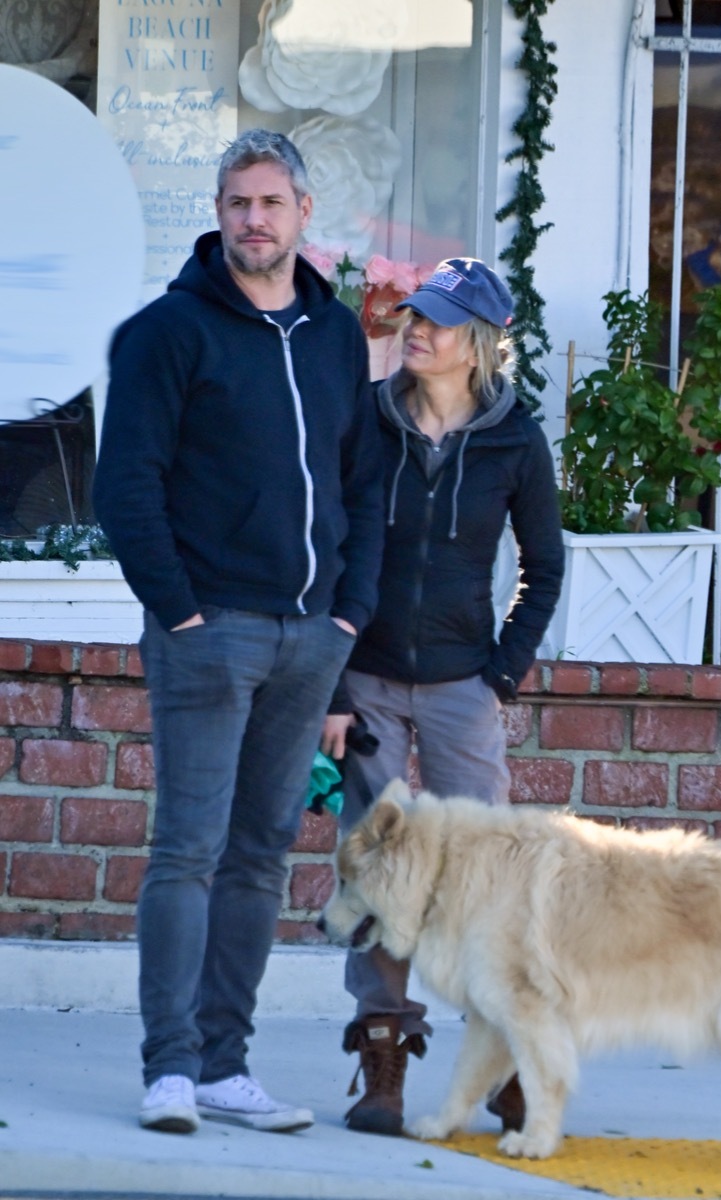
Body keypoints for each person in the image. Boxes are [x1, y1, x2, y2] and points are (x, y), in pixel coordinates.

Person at [93, 129, 384, 1136]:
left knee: (261, 854)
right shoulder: (168, 333)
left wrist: (349, 613)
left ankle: (226, 1065)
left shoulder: (338, 334)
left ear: (304, 212)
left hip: (311, 636)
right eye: (237, 203)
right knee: (188, 849)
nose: (253, 221)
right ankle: (169, 1069)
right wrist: (179, 608)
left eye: (270, 203)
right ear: (219, 214)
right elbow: (125, 486)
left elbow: (365, 485)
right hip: (207, 633)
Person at [320, 258, 564, 1137]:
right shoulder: (367, 422)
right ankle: (382, 1053)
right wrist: (337, 684)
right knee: (378, 865)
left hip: (464, 682)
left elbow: (545, 568)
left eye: (437, 321)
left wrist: (500, 673)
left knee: (485, 881)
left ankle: (500, 1064)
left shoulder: (515, 440)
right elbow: (332, 546)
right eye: (412, 314)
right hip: (371, 680)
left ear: (479, 344)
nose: (414, 328)